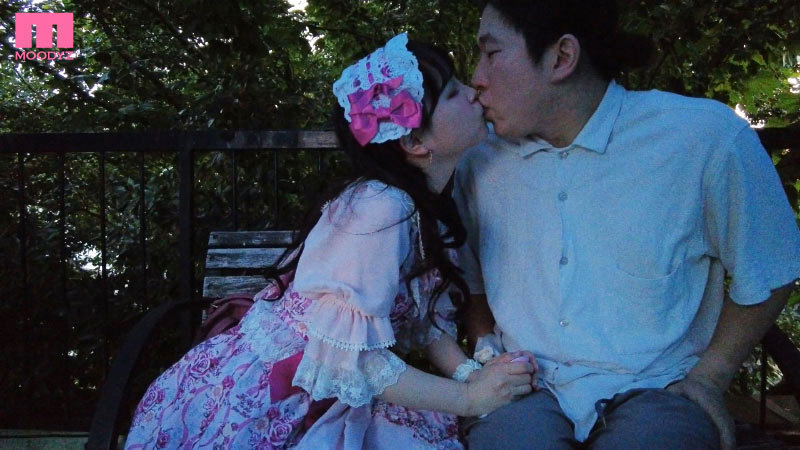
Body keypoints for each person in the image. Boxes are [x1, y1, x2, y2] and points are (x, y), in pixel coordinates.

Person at [123, 33, 537, 449]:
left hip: (329, 387)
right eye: (451, 92)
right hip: (274, 402)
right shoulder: (381, 208)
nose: (472, 90)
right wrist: (468, 398)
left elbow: (418, 322)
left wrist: (471, 375)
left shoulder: (422, 206)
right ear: (414, 142)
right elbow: (354, 359)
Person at [453, 1, 800, 449]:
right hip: (526, 390)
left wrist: (710, 377)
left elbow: (770, 266)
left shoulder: (701, 138)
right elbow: (472, 288)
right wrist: (486, 359)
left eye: (492, 53)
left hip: (658, 387)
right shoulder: (479, 162)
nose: (476, 78)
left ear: (561, 57)